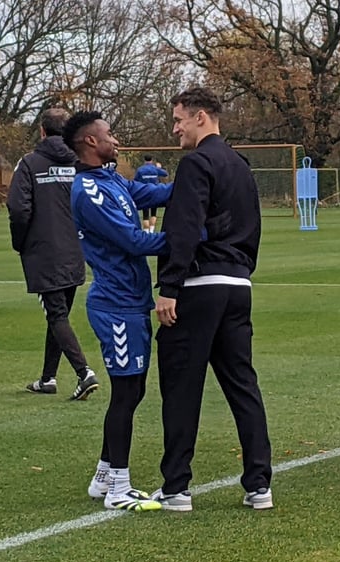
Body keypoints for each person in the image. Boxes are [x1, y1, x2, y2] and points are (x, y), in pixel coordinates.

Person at [152, 86, 273, 512]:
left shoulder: (196, 163)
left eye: (178, 119)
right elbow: (253, 226)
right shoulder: (240, 165)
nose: (175, 128)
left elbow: (183, 227)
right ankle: (259, 484)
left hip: (200, 285)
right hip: (238, 285)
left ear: (200, 117)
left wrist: (169, 287)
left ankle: (176, 487)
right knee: (243, 385)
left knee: (181, 387)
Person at [63, 110, 172, 511]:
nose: (116, 140)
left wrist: (203, 176)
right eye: (109, 134)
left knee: (134, 389)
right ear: (91, 141)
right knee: (125, 393)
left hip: (131, 302)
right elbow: (132, 241)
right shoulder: (88, 190)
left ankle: (104, 477)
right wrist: (191, 238)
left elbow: (152, 195)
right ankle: (118, 489)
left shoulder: (111, 180)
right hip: (115, 306)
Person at [8, 108, 100, 401]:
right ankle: (48, 378)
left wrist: (21, 242)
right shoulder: (80, 162)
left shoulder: (29, 163)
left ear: (42, 131)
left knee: (56, 314)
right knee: (58, 315)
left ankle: (84, 373)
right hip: (75, 250)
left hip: (44, 251)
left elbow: (18, 209)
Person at [134, 155, 168, 233]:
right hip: (154, 193)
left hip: (144, 193)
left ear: (144, 160)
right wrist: (159, 168)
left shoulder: (140, 170)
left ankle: (146, 232)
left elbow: (135, 181)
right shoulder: (155, 169)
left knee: (145, 215)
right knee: (153, 213)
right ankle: (152, 231)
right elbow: (165, 174)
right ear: (151, 160)